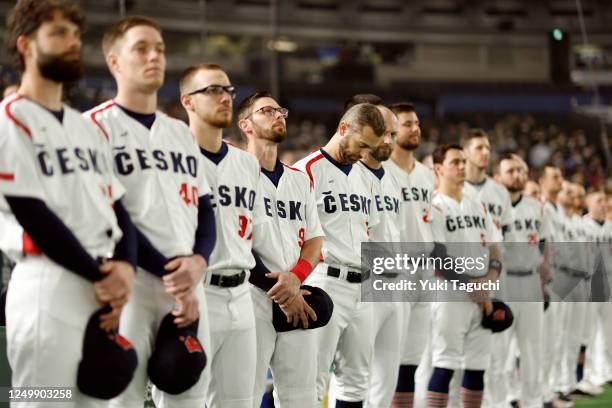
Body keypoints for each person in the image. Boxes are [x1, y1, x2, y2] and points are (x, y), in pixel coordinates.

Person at [0, 1, 137, 406]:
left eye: (75, 35)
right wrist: (105, 277)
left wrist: (126, 269)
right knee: (44, 400)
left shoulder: (85, 126)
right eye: (59, 33)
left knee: (92, 402)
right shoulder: (11, 117)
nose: (73, 42)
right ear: (26, 45)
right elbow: (32, 213)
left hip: (99, 287)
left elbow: (118, 206)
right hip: (47, 282)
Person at [86, 16, 215, 408]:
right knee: (122, 399)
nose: (154, 56)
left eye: (159, 48)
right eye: (141, 48)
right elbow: (110, 214)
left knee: (190, 397)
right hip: (132, 282)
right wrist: (175, 276)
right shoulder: (93, 127)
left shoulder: (178, 131)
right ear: (114, 61)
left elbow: (205, 208)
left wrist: (197, 262)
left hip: (190, 283)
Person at [293, 103, 385, 406]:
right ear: (343, 128)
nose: (363, 153)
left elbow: (371, 232)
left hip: (362, 284)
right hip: (324, 280)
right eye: (361, 144)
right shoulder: (305, 171)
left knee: (357, 381)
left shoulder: (368, 178)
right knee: (311, 379)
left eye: (369, 148)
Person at [179, 63, 260, 408]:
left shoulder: (247, 164)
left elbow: (254, 235)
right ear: (188, 102)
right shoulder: (173, 156)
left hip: (241, 293)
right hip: (196, 292)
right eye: (212, 90)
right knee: (186, 399)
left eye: (228, 90)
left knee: (240, 401)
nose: (224, 97)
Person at [239, 91, 324, 407]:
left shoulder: (298, 180)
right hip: (249, 294)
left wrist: (297, 280)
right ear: (245, 124)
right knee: (243, 395)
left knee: (301, 397)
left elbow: (314, 240)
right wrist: (282, 289)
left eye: (280, 110)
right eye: (267, 111)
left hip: (295, 295)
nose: (278, 115)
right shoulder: (235, 170)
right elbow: (234, 241)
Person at [426, 144, 501, 408]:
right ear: (438, 168)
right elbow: (438, 257)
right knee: (445, 365)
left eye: (463, 162)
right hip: (449, 294)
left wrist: (490, 281)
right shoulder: (434, 206)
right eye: (455, 162)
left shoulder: (478, 206)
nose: (462, 166)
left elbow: (494, 247)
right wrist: (474, 287)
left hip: (483, 295)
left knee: (477, 367)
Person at [347, 98, 405, 408]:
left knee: (387, 376)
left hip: (393, 284)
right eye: (383, 132)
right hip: (361, 282)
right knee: (351, 376)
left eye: (393, 134)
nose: (388, 140)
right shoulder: (348, 174)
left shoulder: (394, 178)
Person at [384, 102, 436, 408]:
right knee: (385, 357)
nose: (415, 128)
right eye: (407, 124)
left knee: (412, 358)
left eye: (417, 123)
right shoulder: (379, 171)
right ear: (391, 130)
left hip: (424, 270)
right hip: (391, 270)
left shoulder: (428, 175)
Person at [494, 153, 551, 408]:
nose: (516, 175)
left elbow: (545, 241)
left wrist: (545, 273)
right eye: (510, 171)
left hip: (530, 280)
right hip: (503, 280)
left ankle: (533, 401)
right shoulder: (491, 205)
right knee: (500, 349)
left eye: (519, 170)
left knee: (532, 349)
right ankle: (500, 400)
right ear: (498, 177)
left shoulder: (536, 206)